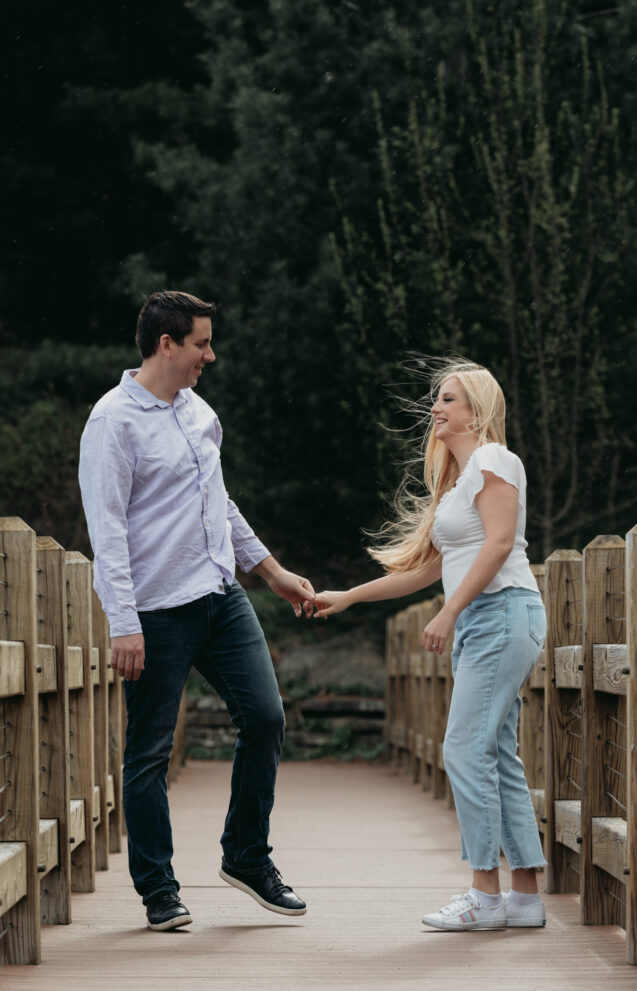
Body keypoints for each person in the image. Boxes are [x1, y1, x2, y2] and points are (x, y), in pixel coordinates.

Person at [79, 290, 313, 931]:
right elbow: (108, 532)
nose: (211, 354)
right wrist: (123, 621)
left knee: (265, 718)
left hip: (221, 597)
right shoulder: (113, 422)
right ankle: (158, 891)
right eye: (202, 343)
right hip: (157, 611)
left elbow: (221, 504)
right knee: (149, 751)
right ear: (167, 345)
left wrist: (273, 574)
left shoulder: (198, 411)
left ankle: (245, 857)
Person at [311, 359, 547, 931]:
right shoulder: (461, 483)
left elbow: (495, 547)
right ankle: (524, 897)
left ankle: (484, 896)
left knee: (463, 749)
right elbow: (427, 570)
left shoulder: (494, 458)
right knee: (494, 753)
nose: (436, 408)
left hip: (500, 612)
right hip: (486, 618)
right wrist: (349, 596)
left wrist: (449, 610)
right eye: (437, 400)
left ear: (478, 411)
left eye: (448, 400)